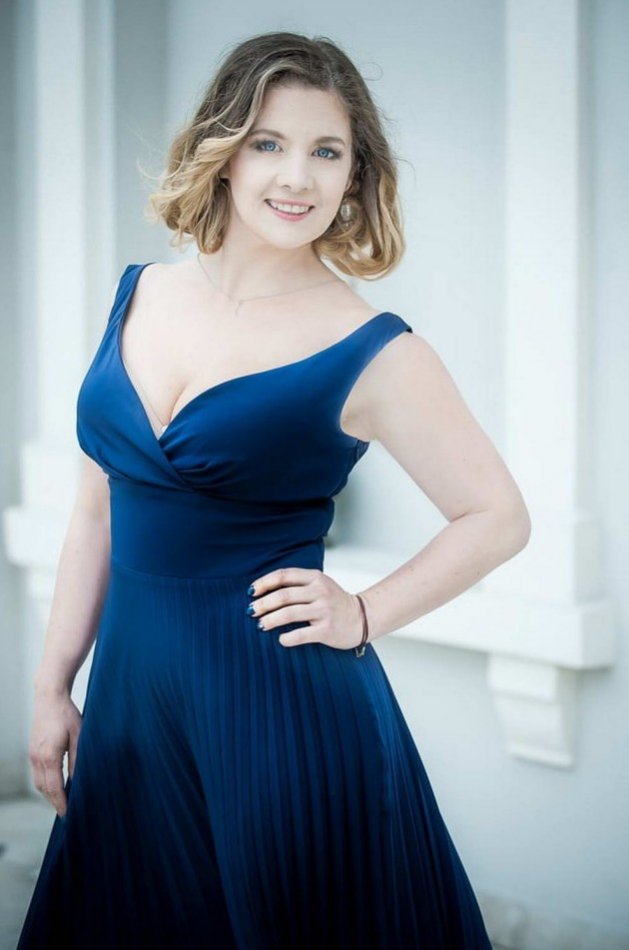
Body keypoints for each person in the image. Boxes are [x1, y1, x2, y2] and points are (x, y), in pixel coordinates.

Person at [18, 30, 530, 950]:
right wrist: (54, 684)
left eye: (326, 152)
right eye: (269, 143)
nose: (297, 177)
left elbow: (497, 516)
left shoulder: (373, 348)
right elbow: (97, 509)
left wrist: (363, 612)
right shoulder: (139, 293)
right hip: (133, 709)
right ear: (222, 150)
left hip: (280, 715)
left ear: (354, 173)